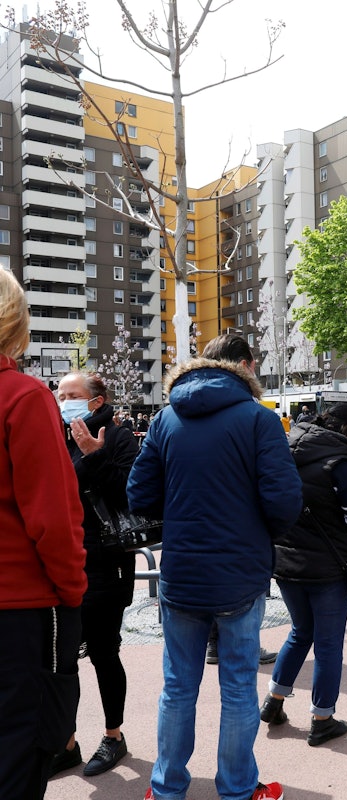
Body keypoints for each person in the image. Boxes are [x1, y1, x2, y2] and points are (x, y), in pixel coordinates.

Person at [127, 333, 302, 800]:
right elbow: (285, 501)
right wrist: (257, 532)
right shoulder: (258, 420)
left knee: (178, 687)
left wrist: (184, 510)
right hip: (240, 572)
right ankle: (238, 790)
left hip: (181, 571)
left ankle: (165, 789)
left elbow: (139, 496)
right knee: (240, 687)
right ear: (244, 370)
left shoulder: (166, 418)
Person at [0, 269, 86, 800]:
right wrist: (73, 591)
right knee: (20, 750)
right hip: (21, 610)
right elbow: (54, 519)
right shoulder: (24, 396)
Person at [260, 404, 347, 747]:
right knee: (327, 644)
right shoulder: (342, 461)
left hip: (286, 560)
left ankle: (274, 700)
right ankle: (322, 718)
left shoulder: (285, 450)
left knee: (300, 632)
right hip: (328, 565)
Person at [49, 372, 139, 779]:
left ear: (96, 402)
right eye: (60, 393)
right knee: (62, 659)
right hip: (60, 560)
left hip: (105, 562)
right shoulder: (53, 435)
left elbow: (132, 496)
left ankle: (113, 736)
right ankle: (66, 743)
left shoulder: (118, 437)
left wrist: (95, 456)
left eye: (72, 395)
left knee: (104, 653)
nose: (62, 400)